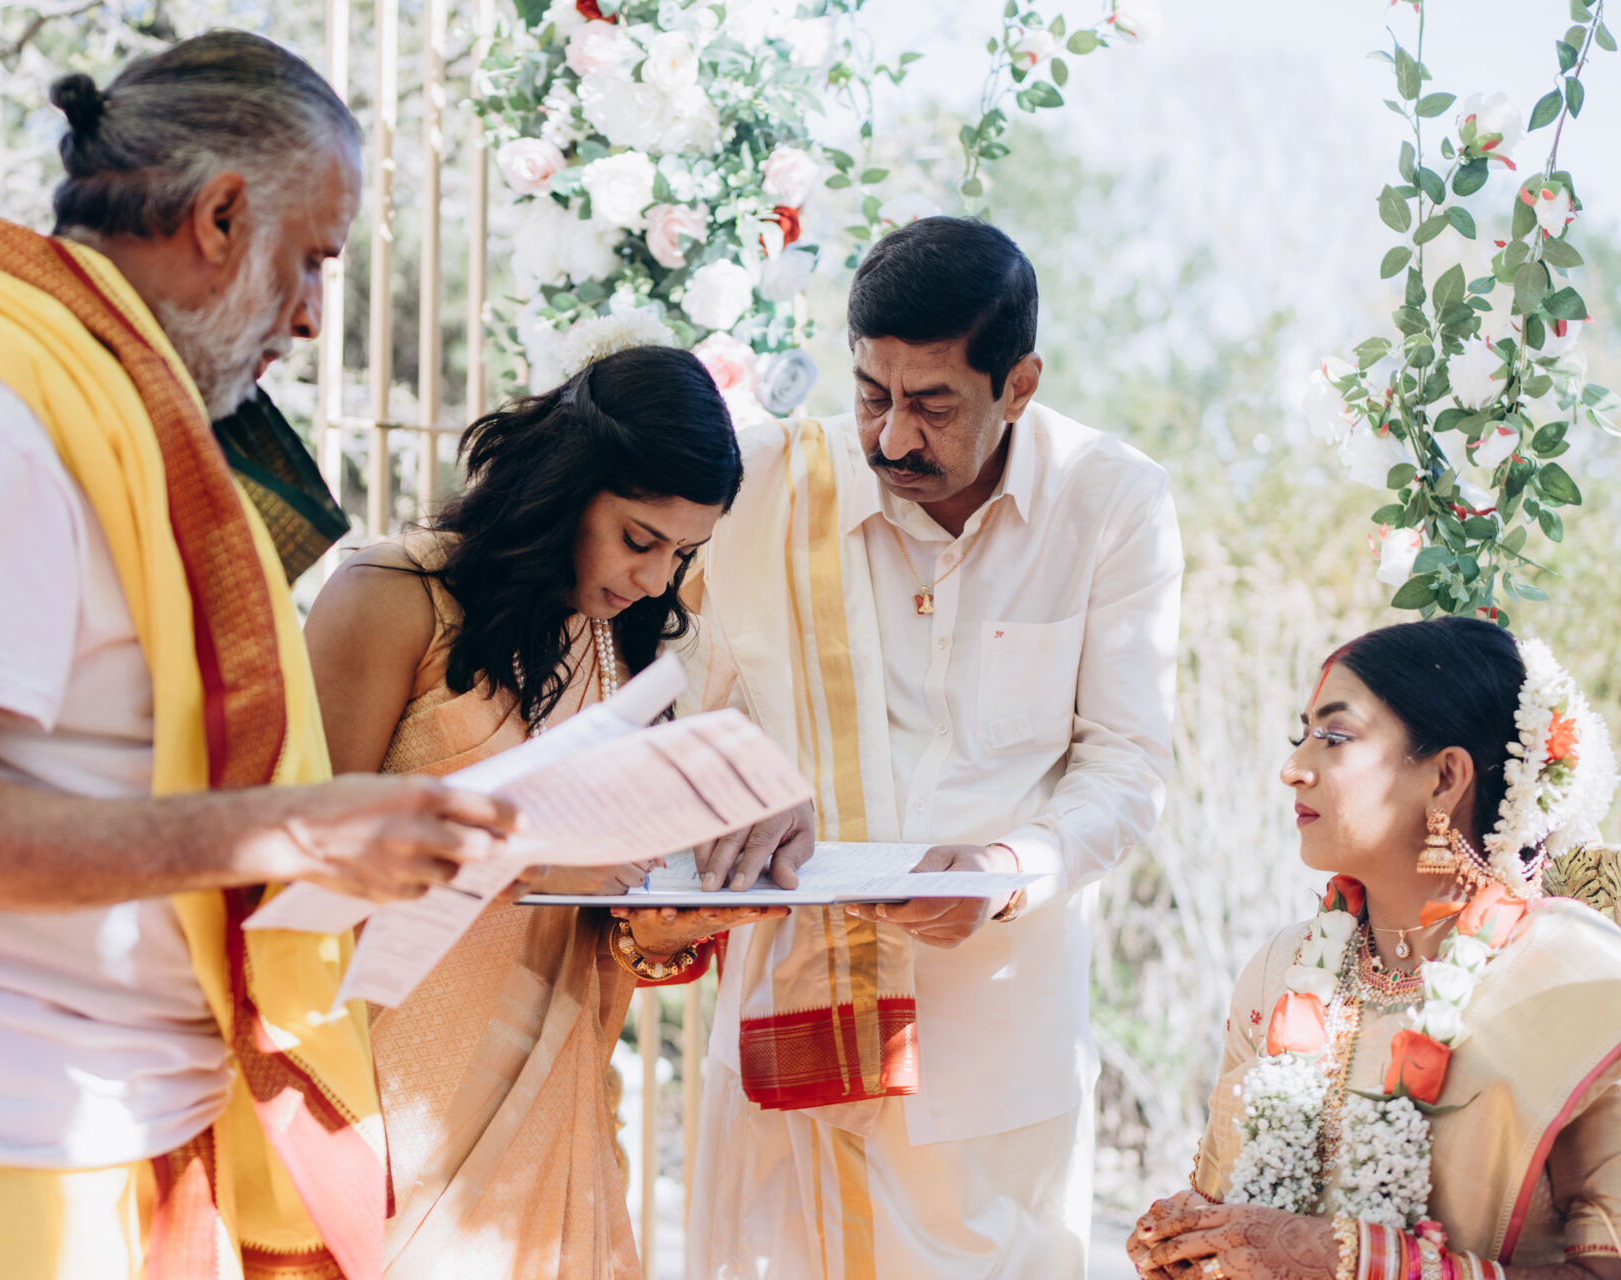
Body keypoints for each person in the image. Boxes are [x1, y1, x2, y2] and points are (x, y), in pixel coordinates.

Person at [0, 32, 518, 1279]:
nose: (310, 314)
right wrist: (291, 832)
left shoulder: (68, 413)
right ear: (220, 215)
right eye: (311, 259)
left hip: (60, 1133)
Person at [680, 215, 1184, 1278]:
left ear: (1021, 383)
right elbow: (667, 709)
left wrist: (1007, 870)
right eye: (873, 394)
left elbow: (1129, 763)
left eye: (935, 406)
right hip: (788, 1024)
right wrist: (738, 784)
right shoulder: (769, 485)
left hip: (995, 1052)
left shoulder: (1110, 502)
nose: (893, 440)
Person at [303, 336, 811, 1279]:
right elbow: (296, 856)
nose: (656, 579)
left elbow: (596, 929)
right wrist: (522, 857)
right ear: (565, 486)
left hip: (553, 1126)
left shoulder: (623, 649)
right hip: (382, 1108)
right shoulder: (394, 598)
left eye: (683, 553)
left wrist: (660, 927)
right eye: (639, 539)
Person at [1128, 618, 1621, 1280]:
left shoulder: (1577, 984)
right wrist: (1189, 1247)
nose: (1293, 769)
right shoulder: (1284, 968)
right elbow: (1229, 1210)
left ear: (1445, 777)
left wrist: (1358, 1262)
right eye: (1301, 736)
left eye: (1334, 738)